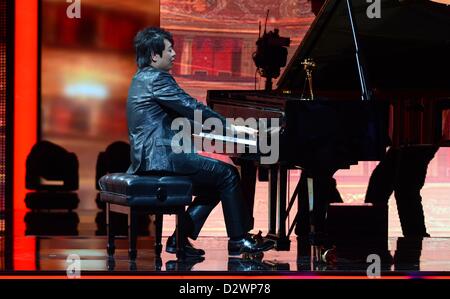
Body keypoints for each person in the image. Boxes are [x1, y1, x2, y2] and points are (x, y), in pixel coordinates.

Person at [126, 27, 274, 257]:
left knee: (215, 184)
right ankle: (239, 240)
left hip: (148, 157)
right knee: (228, 175)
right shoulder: (158, 79)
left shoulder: (141, 78)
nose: (174, 54)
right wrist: (231, 127)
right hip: (162, 157)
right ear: (154, 55)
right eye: (169, 49)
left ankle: (178, 239)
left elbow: (180, 115)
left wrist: (216, 131)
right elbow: (191, 107)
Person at [365, 145, 438, 237]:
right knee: (391, 184)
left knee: (399, 186)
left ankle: (415, 237)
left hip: (416, 138)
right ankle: (415, 236)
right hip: (413, 138)